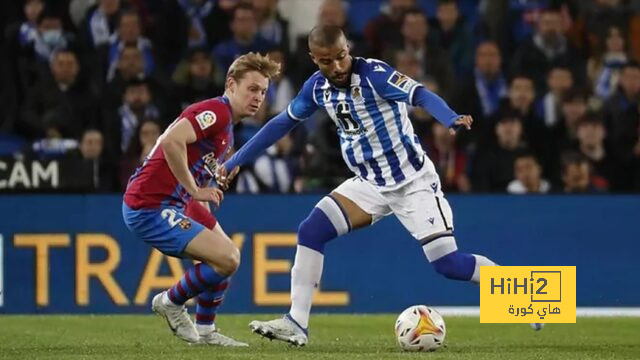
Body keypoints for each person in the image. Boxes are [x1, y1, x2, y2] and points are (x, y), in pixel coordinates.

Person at [216, 25, 523, 346]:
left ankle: (530, 299)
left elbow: (420, 95)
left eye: (340, 57)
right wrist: (235, 159)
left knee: (448, 264)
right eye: (325, 61)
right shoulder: (316, 88)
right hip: (371, 184)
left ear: (348, 48)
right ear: (313, 59)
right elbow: (281, 124)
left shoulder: (375, 75)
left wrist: (448, 117)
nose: (335, 67)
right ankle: (296, 323)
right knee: (311, 231)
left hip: (412, 184)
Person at [122, 52, 280, 346]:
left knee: (225, 254)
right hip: (149, 205)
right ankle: (170, 302)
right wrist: (195, 190)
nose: (259, 97)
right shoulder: (216, 112)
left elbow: (194, 163)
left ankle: (206, 331)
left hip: (178, 201)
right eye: (252, 89)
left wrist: (202, 194)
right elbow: (171, 141)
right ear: (231, 85)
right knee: (227, 257)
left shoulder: (227, 129)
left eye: (263, 91)